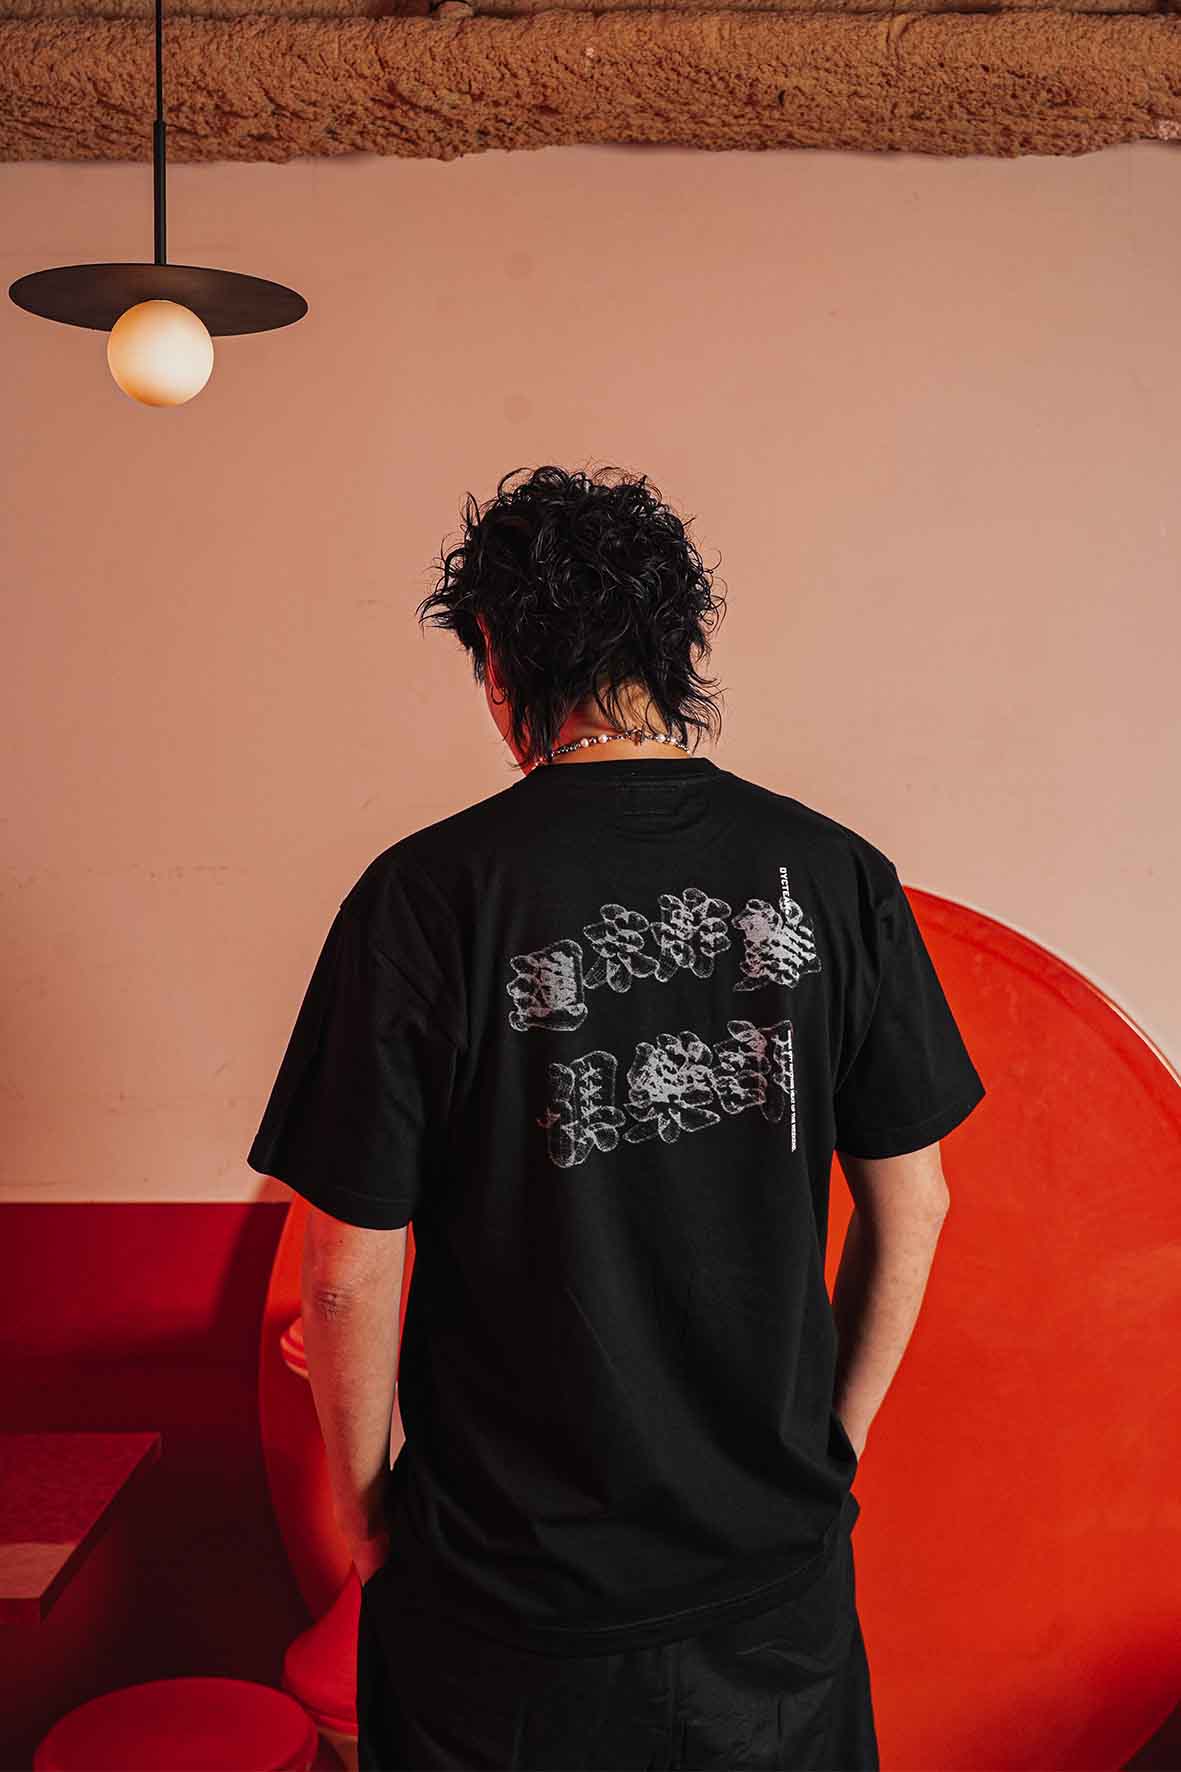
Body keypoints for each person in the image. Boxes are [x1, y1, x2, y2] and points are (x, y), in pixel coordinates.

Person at [246, 463, 986, 1770]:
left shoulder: (424, 896)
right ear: (675, 646)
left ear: (500, 660)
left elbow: (348, 1274)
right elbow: (914, 1204)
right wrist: (829, 1452)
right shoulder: (836, 876)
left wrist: (367, 1518)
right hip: (770, 1589)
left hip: (502, 1601)